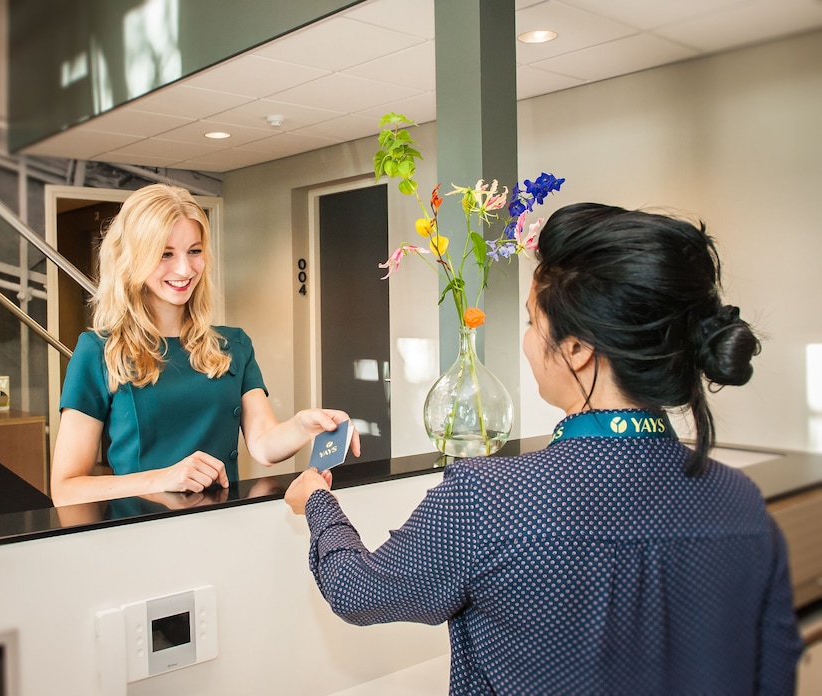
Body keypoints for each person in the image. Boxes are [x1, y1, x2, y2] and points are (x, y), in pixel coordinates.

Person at [285, 203, 804, 694]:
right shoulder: (743, 505)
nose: (529, 339)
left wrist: (317, 503)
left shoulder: (492, 498)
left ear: (577, 349)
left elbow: (359, 591)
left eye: (533, 321)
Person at [52, 183, 359, 507]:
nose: (184, 269)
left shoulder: (234, 345)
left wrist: (302, 425)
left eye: (194, 251)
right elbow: (66, 488)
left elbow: (264, 445)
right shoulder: (98, 351)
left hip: (223, 530)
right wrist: (163, 478)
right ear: (134, 258)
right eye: (165, 254)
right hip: (140, 539)